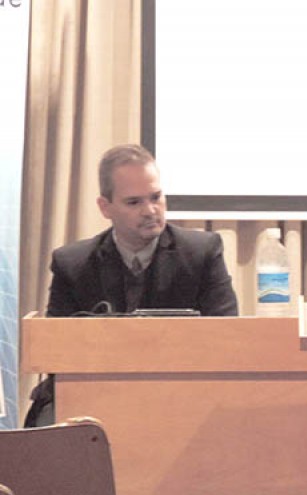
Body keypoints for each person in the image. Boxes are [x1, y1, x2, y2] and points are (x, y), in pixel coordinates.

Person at [27, 143, 238, 427]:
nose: (150, 210)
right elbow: (57, 353)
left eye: (156, 197)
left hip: (182, 393)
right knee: (50, 427)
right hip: (95, 395)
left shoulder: (201, 253)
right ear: (105, 207)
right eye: (134, 202)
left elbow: (227, 337)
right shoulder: (73, 264)